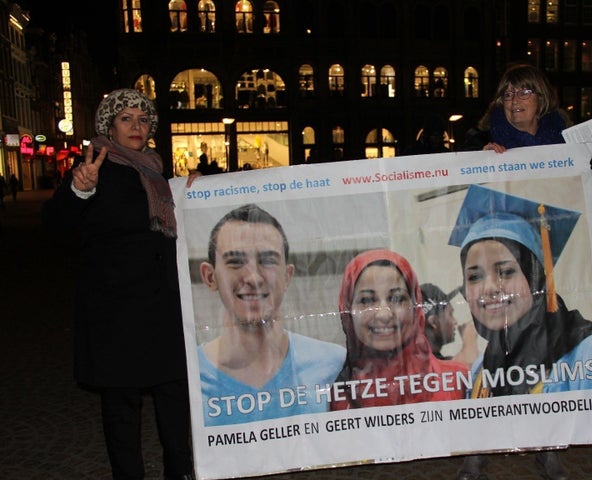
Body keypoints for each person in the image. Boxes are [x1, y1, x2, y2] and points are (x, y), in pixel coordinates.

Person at [41, 88, 194, 480]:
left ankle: (180, 473)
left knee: (175, 403)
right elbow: (56, 225)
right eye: (126, 118)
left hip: (162, 310)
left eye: (143, 119)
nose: (136, 126)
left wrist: (195, 193)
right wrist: (80, 189)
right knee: (122, 409)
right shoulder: (95, 167)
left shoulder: (156, 174)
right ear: (109, 125)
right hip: (115, 313)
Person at [450, 185, 592, 480]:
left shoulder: (586, 351)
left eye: (506, 271)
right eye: (474, 276)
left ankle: (551, 449)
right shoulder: (480, 370)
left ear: (534, 275)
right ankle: (476, 454)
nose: (489, 288)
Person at [197, 203, 346, 425]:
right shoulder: (191, 377)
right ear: (210, 277)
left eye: (267, 261)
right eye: (235, 262)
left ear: (287, 276)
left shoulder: (335, 363)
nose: (254, 278)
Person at [330, 249, 468, 410]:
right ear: (347, 311)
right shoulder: (335, 398)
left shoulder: (457, 382)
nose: (384, 314)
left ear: (415, 307)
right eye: (367, 300)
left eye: (397, 298)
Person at [420, 283, 479, 365]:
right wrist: (469, 338)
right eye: (450, 314)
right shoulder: (426, 365)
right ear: (433, 322)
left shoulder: (418, 360)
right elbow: (470, 371)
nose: (455, 321)